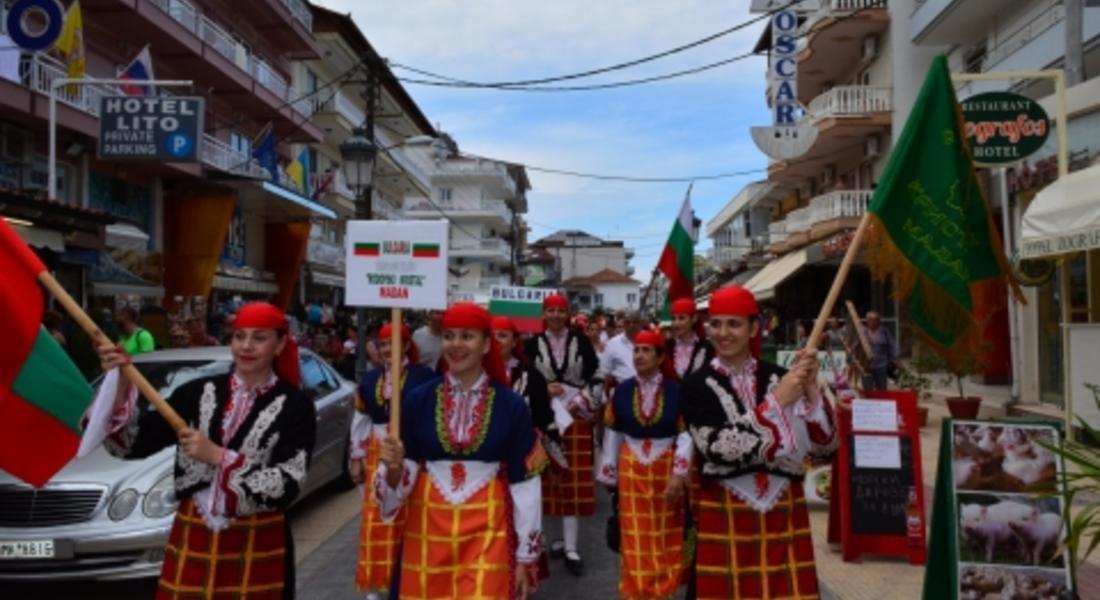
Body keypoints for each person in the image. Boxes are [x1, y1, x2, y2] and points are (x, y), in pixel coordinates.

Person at [90, 302, 314, 599]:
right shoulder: (196, 392)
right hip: (194, 532)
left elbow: (289, 482)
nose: (246, 346)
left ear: (280, 344)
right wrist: (119, 383)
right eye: (239, 336)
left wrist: (219, 457)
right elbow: (132, 445)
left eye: (259, 338)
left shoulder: (296, 405)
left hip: (258, 536)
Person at [375, 303, 549, 599]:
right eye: (449, 336)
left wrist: (524, 557)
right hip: (428, 528)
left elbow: (525, 484)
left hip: (489, 533)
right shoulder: (418, 400)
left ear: (485, 344)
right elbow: (404, 475)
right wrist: (392, 469)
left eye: (467, 336)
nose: (455, 345)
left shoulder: (512, 405)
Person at [680, 286, 837, 599]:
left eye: (734, 324)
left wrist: (811, 393)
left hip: (783, 510)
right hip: (725, 509)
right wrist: (778, 402)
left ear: (754, 328)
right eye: (716, 324)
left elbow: (826, 447)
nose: (723, 333)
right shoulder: (694, 385)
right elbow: (717, 448)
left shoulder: (784, 376)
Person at [596, 331, 692, 600]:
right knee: (634, 533)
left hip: (666, 467)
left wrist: (679, 474)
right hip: (632, 467)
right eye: (637, 350)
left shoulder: (677, 390)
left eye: (647, 351)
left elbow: (686, 433)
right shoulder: (622, 390)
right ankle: (637, 591)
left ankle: (664, 590)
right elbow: (613, 432)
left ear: (661, 357)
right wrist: (608, 471)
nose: (639, 356)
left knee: (666, 532)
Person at [348, 322, 434, 600]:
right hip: (377, 451)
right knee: (375, 520)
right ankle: (376, 585)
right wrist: (357, 457)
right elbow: (361, 420)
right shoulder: (370, 379)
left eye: (393, 343)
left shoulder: (423, 376)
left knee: (408, 517)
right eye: (383, 344)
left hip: (410, 452)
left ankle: (406, 579)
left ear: (407, 345)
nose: (387, 349)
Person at [524, 293, 600, 575]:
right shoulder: (530, 345)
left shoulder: (581, 342)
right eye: (550, 311)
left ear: (568, 313)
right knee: (545, 480)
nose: (555, 315)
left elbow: (597, 376)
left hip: (575, 420)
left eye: (560, 311)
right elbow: (524, 379)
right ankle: (550, 540)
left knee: (572, 481)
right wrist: (543, 390)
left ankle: (571, 546)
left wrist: (580, 400)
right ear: (543, 315)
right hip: (543, 420)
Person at [668, 297, 714, 380]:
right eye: (673, 318)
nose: (676, 323)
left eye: (681, 318)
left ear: (694, 318)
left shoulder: (707, 346)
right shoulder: (667, 346)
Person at [600, 310, 643, 386]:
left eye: (635, 322)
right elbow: (605, 371)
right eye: (628, 322)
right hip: (622, 390)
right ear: (624, 325)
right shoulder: (612, 344)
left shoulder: (649, 341)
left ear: (640, 324)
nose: (631, 325)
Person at [865, 310, 897, 390]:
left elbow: (892, 345)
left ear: (878, 321)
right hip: (866, 366)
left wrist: (895, 358)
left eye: (874, 320)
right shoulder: (862, 332)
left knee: (881, 388)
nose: (872, 322)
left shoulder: (884, 331)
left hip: (881, 365)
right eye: (869, 319)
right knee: (867, 389)